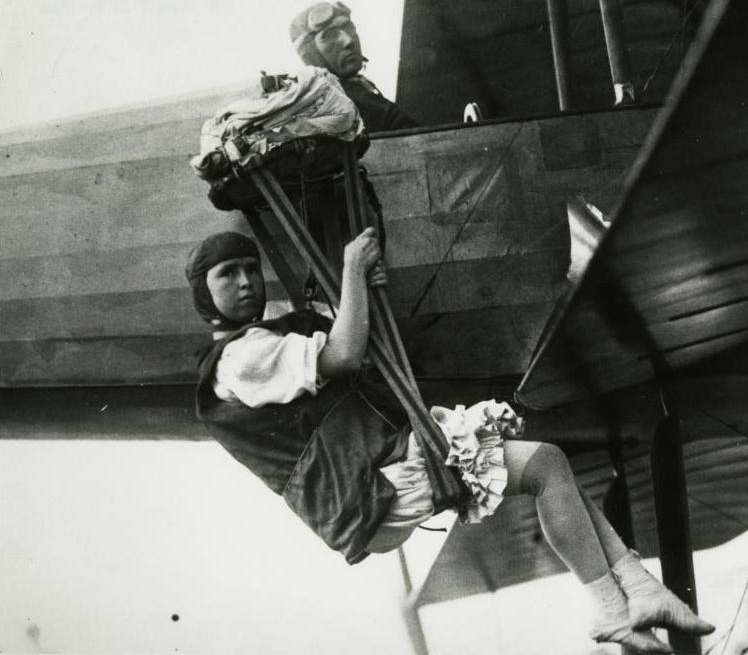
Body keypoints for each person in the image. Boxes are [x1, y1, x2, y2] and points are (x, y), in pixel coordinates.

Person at [186, 229, 715, 653]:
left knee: (549, 467)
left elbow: (348, 337)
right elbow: (344, 355)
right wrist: (351, 270)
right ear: (203, 295)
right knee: (546, 467)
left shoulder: (263, 339)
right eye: (227, 275)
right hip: (372, 489)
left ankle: (637, 592)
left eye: (251, 269)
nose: (246, 282)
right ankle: (612, 604)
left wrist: (358, 292)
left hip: (375, 478)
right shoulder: (239, 359)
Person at [289, 1, 419, 133]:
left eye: (349, 28)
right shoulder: (336, 104)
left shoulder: (360, 91)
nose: (349, 41)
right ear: (312, 53)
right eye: (329, 36)